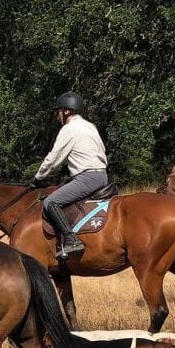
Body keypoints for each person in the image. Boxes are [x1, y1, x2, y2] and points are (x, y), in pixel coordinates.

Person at [30, 92, 108, 261]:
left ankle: (72, 240)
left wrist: (38, 178)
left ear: (66, 111)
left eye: (59, 111)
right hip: (102, 175)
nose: (58, 115)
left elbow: (54, 158)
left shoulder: (70, 129)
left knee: (51, 201)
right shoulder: (90, 126)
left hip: (88, 178)